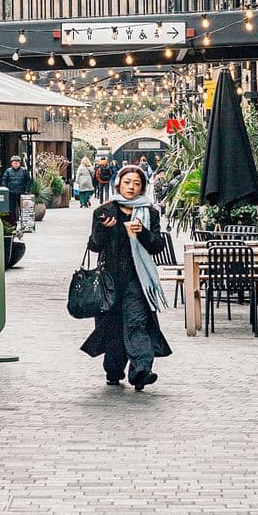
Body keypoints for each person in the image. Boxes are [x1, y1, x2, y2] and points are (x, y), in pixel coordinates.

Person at [80, 164, 171, 391]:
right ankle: (113, 370)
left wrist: (142, 232)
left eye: (137, 184)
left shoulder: (149, 213)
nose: (131, 187)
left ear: (142, 188)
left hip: (138, 280)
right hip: (110, 280)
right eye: (128, 182)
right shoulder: (105, 211)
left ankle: (141, 371)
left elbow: (157, 247)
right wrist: (103, 229)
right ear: (119, 183)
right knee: (112, 326)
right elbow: (94, 246)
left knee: (136, 323)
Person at [1, 153, 32, 224]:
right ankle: (13, 223)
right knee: (11, 209)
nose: (16, 164)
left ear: (19, 163)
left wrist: (27, 190)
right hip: (11, 193)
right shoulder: (8, 171)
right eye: (14, 163)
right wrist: (6, 190)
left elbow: (29, 181)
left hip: (22, 193)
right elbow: (4, 181)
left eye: (17, 163)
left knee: (24, 209)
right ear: (11, 163)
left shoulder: (24, 171)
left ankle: (25, 223)